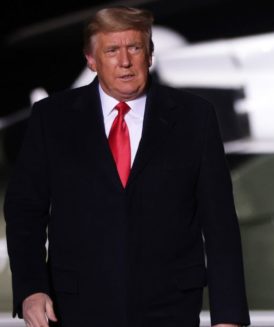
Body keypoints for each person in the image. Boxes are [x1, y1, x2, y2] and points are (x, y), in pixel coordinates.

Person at [4, 6, 250, 327]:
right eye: (111, 50)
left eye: (134, 47)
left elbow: (220, 225)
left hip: (170, 308)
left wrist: (228, 317)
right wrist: (32, 288)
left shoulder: (195, 117)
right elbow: (25, 210)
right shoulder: (52, 118)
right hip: (76, 308)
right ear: (91, 60)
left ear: (149, 54)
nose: (125, 61)